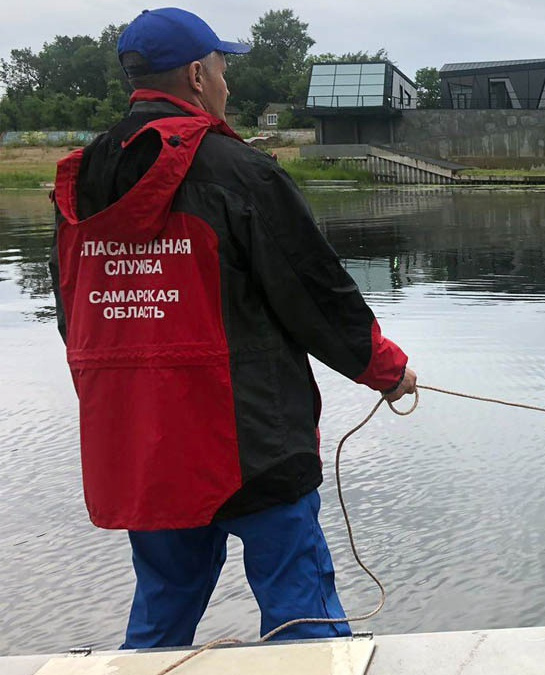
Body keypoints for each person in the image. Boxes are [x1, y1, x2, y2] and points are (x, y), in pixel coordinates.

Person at [47, 7, 416, 649]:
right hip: (252, 441)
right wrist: (386, 370)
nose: (227, 84)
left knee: (163, 609)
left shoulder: (82, 182)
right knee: (302, 613)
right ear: (195, 74)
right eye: (222, 68)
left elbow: (72, 318)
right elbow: (317, 294)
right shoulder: (240, 172)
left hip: (144, 440)